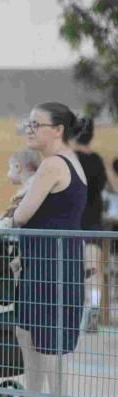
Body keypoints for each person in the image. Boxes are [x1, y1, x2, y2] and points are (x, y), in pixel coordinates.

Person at [5, 102, 89, 397]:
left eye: (36, 124)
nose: (30, 129)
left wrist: (5, 221)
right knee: (28, 335)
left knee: (50, 342)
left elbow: (22, 215)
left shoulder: (54, 164)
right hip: (41, 262)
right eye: (28, 123)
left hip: (54, 264)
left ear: (58, 130)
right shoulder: (56, 163)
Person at [73, 119, 108, 333]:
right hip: (94, 221)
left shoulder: (70, 159)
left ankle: (72, 311)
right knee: (93, 269)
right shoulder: (96, 160)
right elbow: (111, 185)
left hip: (73, 221)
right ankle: (93, 305)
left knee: (72, 269)